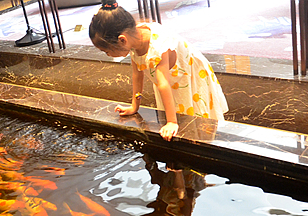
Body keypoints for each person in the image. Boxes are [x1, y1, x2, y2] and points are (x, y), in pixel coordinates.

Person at [89, 0, 228, 141]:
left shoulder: (158, 47)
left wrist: (171, 122)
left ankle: (200, 149)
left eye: (106, 51)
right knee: (177, 113)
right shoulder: (133, 41)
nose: (108, 55)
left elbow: (163, 84)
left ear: (122, 40)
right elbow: (137, 75)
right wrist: (134, 106)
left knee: (196, 119)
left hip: (190, 75)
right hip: (171, 81)